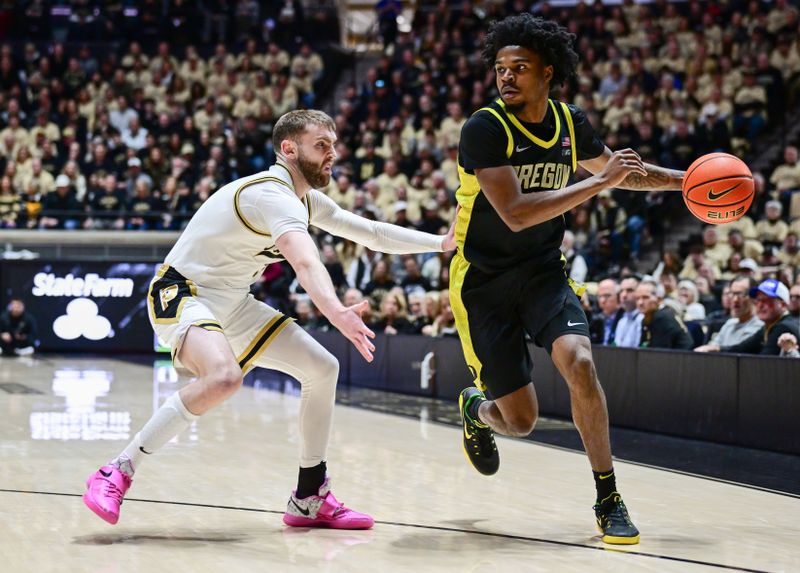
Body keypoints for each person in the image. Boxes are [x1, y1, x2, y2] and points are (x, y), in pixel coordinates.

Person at [83, 110, 456, 529]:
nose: (333, 153)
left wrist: (441, 243)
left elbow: (370, 232)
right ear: (289, 149)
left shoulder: (305, 199)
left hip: (233, 302)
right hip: (183, 291)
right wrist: (336, 312)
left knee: (322, 368)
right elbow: (304, 260)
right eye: (322, 145)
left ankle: (309, 496)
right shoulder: (271, 195)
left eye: (334, 144)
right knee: (224, 377)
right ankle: (118, 469)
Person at [452, 14, 684, 545]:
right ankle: (477, 409)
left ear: (548, 72)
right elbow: (513, 212)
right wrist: (598, 183)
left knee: (579, 361)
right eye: (500, 68)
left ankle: (608, 497)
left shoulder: (569, 121)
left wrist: (690, 182)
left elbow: (626, 174)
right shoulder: (484, 127)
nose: (505, 77)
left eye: (519, 68)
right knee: (521, 421)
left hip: (541, 271)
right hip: (482, 283)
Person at [698, 278, 798, 356]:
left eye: (767, 301)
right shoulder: (769, 326)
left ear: (784, 305)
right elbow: (742, 348)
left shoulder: (784, 327)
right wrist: (716, 348)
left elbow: (764, 363)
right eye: (758, 300)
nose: (760, 305)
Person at [695, 276, 763, 350]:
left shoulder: (760, 326)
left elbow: (741, 353)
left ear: (754, 297)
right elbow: (710, 349)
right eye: (732, 294)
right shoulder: (729, 324)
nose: (735, 299)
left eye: (740, 294)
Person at [635, 279, 695, 350]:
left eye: (645, 297)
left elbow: (657, 353)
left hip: (681, 358)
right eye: (637, 298)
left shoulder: (662, 317)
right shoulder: (647, 318)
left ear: (659, 300)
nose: (640, 303)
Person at [613, 276, 642, 348]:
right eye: (621, 291)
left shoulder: (642, 320)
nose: (624, 295)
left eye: (629, 290)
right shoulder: (621, 321)